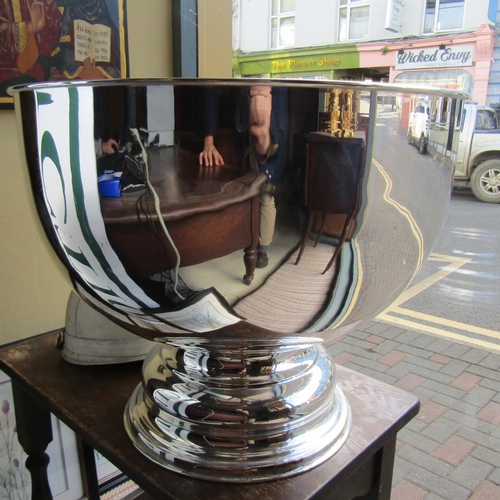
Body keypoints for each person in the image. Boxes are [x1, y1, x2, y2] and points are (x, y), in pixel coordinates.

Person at [199, 85, 288, 268]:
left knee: (266, 190)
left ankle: (261, 249)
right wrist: (209, 140)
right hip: (245, 122)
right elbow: (210, 89)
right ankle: (258, 247)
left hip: (271, 123)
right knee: (252, 188)